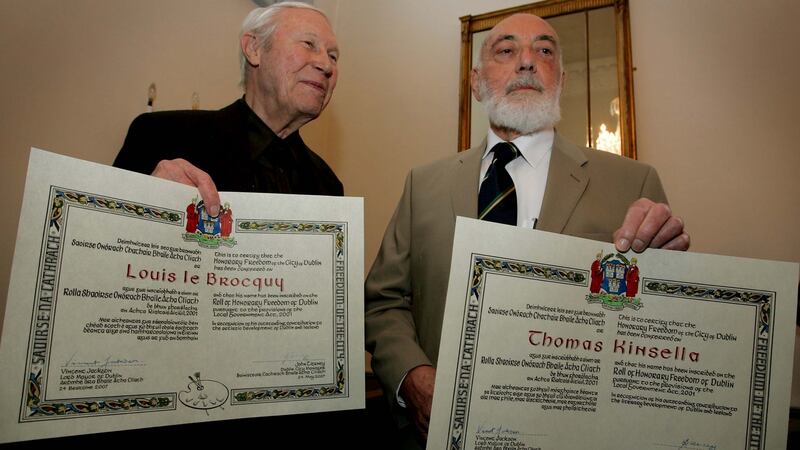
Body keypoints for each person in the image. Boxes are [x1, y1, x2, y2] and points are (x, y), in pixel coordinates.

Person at [364, 13, 690, 448]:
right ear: (477, 83)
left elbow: (662, 321)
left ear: (562, 80)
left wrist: (672, 270)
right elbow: (383, 302)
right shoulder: (423, 184)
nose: (526, 62)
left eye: (544, 50)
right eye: (506, 50)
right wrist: (413, 377)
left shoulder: (633, 184)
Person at [113, 2, 342, 216]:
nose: (326, 65)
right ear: (254, 48)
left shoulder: (328, 186)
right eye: (309, 44)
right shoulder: (161, 137)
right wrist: (142, 202)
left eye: (333, 56)